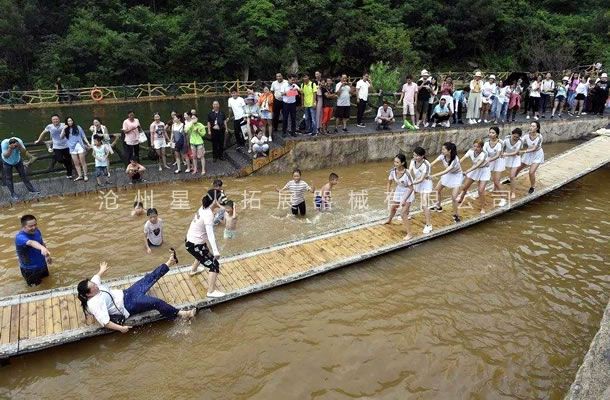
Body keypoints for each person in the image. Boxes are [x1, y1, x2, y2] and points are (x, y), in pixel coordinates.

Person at [77, 251, 196, 333]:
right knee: (156, 302)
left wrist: (101, 270)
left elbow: (96, 277)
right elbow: (105, 322)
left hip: (127, 293)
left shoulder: (93, 286)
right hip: (128, 306)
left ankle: (170, 261)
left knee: (149, 278)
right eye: (92, 286)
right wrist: (121, 328)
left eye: (93, 283)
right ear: (88, 294)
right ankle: (183, 315)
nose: (95, 285)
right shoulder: (94, 304)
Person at [185, 189, 226, 298]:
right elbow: (210, 234)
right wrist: (216, 251)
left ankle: (193, 270)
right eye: (220, 198)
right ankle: (211, 291)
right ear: (215, 200)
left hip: (190, 241)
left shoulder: (203, 208)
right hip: (195, 245)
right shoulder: (208, 215)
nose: (222, 200)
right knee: (214, 265)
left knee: (203, 253)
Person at [383, 154, 415, 240]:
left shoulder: (407, 173)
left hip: (408, 192)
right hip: (399, 190)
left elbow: (411, 187)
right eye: (394, 161)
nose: (395, 163)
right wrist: (388, 192)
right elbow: (389, 182)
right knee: (393, 207)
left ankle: (410, 234)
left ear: (403, 163)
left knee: (403, 213)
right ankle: (389, 220)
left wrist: (404, 199)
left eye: (397, 162)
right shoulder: (393, 171)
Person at [429, 142, 463, 223]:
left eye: (444, 149)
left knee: (454, 196)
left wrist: (433, 176)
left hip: (456, 176)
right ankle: (438, 206)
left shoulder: (455, 159)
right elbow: (431, 164)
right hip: (448, 174)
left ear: (449, 150)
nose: (442, 151)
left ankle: (456, 215)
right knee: (437, 189)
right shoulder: (442, 156)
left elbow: (445, 171)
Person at [456, 139, 491, 214]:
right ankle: (461, 198)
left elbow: (477, 165)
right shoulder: (470, 151)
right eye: (474, 146)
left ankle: (483, 208)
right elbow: (461, 159)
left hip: (484, 171)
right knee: (465, 187)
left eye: (478, 147)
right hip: (475, 170)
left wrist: (467, 171)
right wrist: (455, 165)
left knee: (480, 190)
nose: (475, 148)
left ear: (481, 148)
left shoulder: (484, 154)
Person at [15, 214, 50, 286]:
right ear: (23, 226)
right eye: (30, 226)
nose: (34, 227)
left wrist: (47, 256)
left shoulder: (37, 231)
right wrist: (41, 248)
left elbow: (41, 242)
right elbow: (31, 242)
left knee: (48, 282)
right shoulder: (20, 238)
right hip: (30, 270)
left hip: (42, 265)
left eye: (35, 224)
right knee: (36, 289)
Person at [35, 114, 72, 178]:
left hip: (66, 145)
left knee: (68, 159)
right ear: (52, 120)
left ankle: (69, 174)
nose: (55, 120)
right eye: (54, 119)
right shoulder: (50, 126)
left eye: (56, 119)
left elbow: (71, 131)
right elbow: (43, 133)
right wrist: (38, 140)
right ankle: (65, 164)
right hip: (56, 146)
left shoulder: (64, 125)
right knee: (59, 159)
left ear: (59, 119)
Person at [409, 147, 433, 234]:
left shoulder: (426, 165)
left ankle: (428, 225)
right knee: (410, 196)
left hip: (425, 184)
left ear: (423, 156)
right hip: (416, 182)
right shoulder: (412, 161)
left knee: (424, 204)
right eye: (414, 155)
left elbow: (422, 179)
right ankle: (407, 213)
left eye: (417, 156)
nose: (415, 157)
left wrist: (411, 183)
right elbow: (409, 171)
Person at [516, 121, 544, 194]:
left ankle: (533, 187)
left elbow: (534, 149)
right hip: (528, 154)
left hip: (537, 155)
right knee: (518, 168)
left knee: (531, 172)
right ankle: (511, 179)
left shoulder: (539, 137)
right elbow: (519, 141)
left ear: (537, 128)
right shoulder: (526, 135)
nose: (531, 127)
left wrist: (521, 152)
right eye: (531, 126)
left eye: (533, 126)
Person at [61, 117, 91, 181]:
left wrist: (88, 143)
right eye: (68, 121)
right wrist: (63, 129)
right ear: (66, 122)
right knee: (76, 163)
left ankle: (85, 175)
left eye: (71, 120)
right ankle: (80, 175)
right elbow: (61, 137)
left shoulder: (78, 127)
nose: (70, 122)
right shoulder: (66, 129)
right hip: (72, 148)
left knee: (83, 162)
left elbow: (83, 136)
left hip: (79, 145)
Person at [483, 127, 505, 198]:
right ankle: (493, 189)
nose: (491, 134)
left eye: (493, 133)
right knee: (487, 177)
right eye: (490, 132)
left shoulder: (500, 143)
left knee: (496, 180)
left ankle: (503, 197)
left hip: (499, 161)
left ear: (497, 134)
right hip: (490, 160)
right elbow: (484, 153)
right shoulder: (486, 143)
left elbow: (498, 155)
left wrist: (488, 160)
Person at [502, 127, 523, 200]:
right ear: (512, 134)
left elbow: (515, 153)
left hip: (515, 159)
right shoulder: (506, 140)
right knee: (507, 174)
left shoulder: (520, 142)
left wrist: (505, 154)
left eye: (517, 137)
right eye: (514, 136)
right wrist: (501, 154)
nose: (515, 138)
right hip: (507, 158)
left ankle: (513, 192)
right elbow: (502, 148)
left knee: (512, 176)